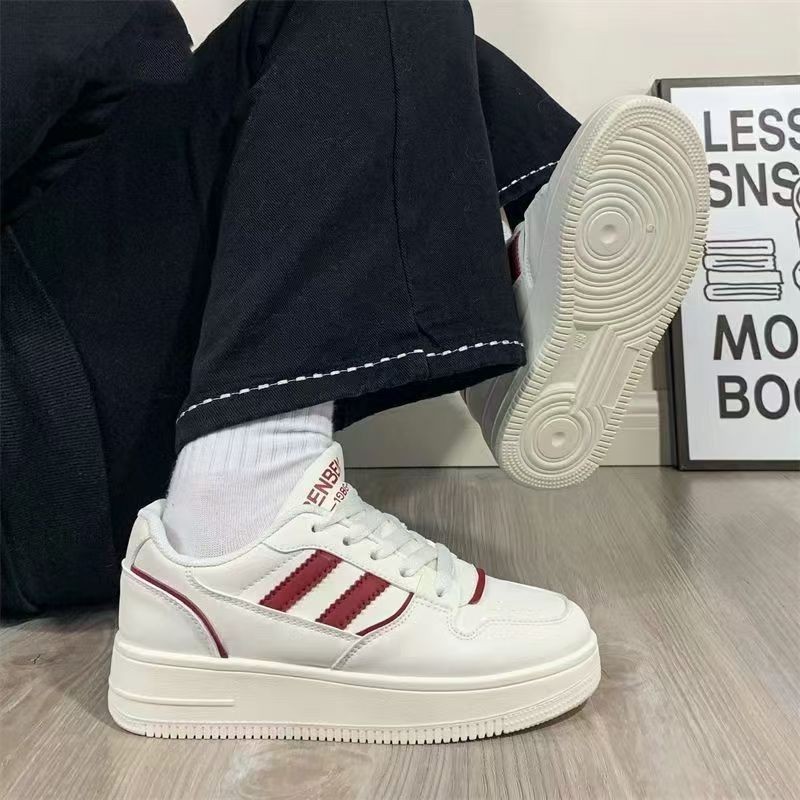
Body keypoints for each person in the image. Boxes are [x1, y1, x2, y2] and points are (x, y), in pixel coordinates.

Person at [1, 1, 708, 742]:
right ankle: (241, 521)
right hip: (36, 447)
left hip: (71, 382)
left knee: (344, 35)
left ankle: (531, 253)